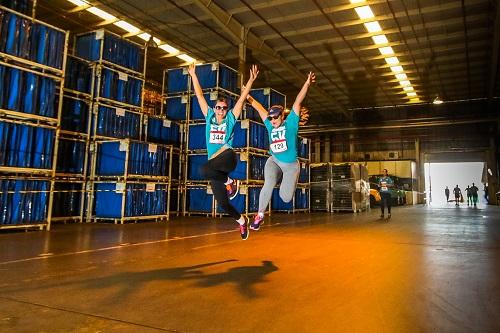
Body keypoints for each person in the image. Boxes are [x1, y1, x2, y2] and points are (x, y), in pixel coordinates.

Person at [188, 63, 259, 240]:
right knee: (223, 203)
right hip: (214, 164)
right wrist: (193, 75)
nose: (220, 111)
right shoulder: (209, 116)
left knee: (203, 170)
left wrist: (250, 80)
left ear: (227, 110)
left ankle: (230, 181)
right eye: (218, 107)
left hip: (227, 157)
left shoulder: (230, 119)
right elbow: (199, 96)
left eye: (223, 108)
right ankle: (242, 222)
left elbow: (241, 99)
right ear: (214, 108)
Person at [245, 72, 315, 230]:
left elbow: (298, 100)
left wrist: (307, 84)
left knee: (285, 198)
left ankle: (292, 179)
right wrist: (246, 94)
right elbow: (258, 107)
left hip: (290, 165)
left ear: (282, 116)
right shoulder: (269, 124)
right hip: (274, 160)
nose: (272, 121)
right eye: (270, 118)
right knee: (268, 183)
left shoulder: (291, 123)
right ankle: (260, 215)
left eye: (275, 118)